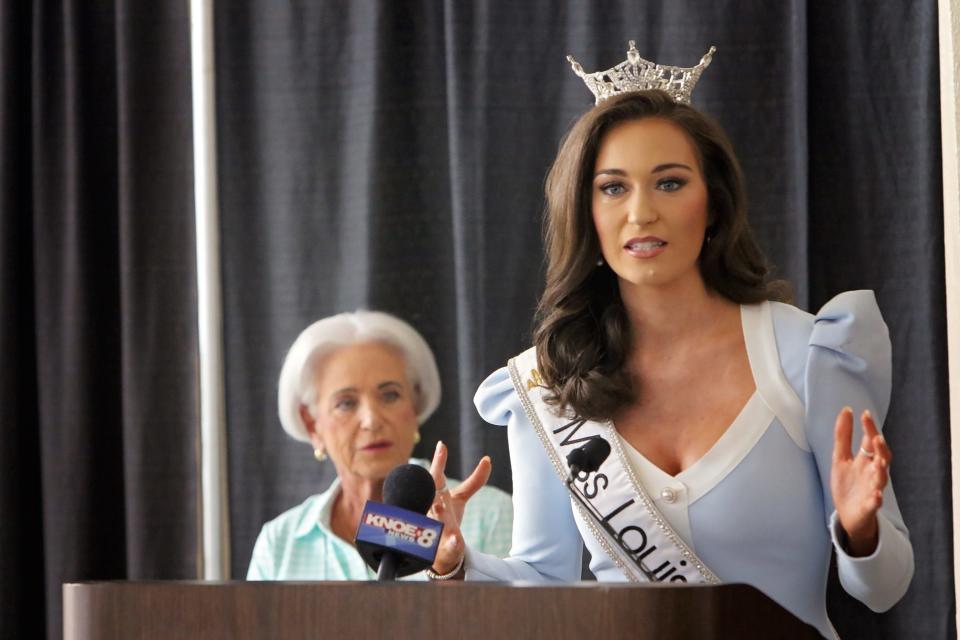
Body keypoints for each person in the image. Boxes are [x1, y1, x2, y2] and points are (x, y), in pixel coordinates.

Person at [425, 47, 913, 639]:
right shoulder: (549, 384)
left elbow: (885, 590)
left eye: (670, 182)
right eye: (612, 188)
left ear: (714, 204)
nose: (642, 212)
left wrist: (860, 531)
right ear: (585, 211)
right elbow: (543, 583)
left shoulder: (809, 353)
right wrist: (455, 564)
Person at [247, 310, 513, 580]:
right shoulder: (280, 542)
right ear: (312, 424)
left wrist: (450, 570)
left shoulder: (490, 516)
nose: (372, 420)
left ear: (415, 406)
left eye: (390, 395)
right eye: (346, 403)